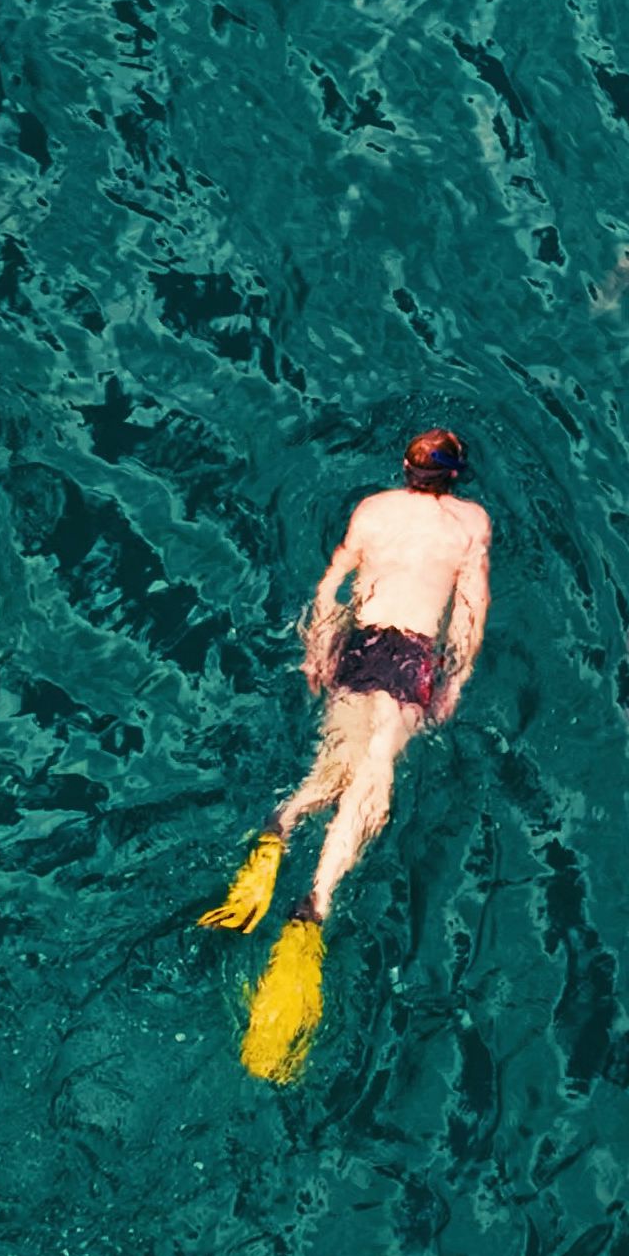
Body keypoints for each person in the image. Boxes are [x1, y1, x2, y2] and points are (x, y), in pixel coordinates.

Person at [200, 430, 492, 1083]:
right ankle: (314, 908)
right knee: (375, 785)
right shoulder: (470, 522)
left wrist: (315, 650)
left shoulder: (371, 510)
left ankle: (283, 823)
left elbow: (332, 586)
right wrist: (457, 680)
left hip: (359, 649)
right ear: (455, 477)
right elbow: (470, 609)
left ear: (405, 470)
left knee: (333, 768)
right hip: (414, 652)